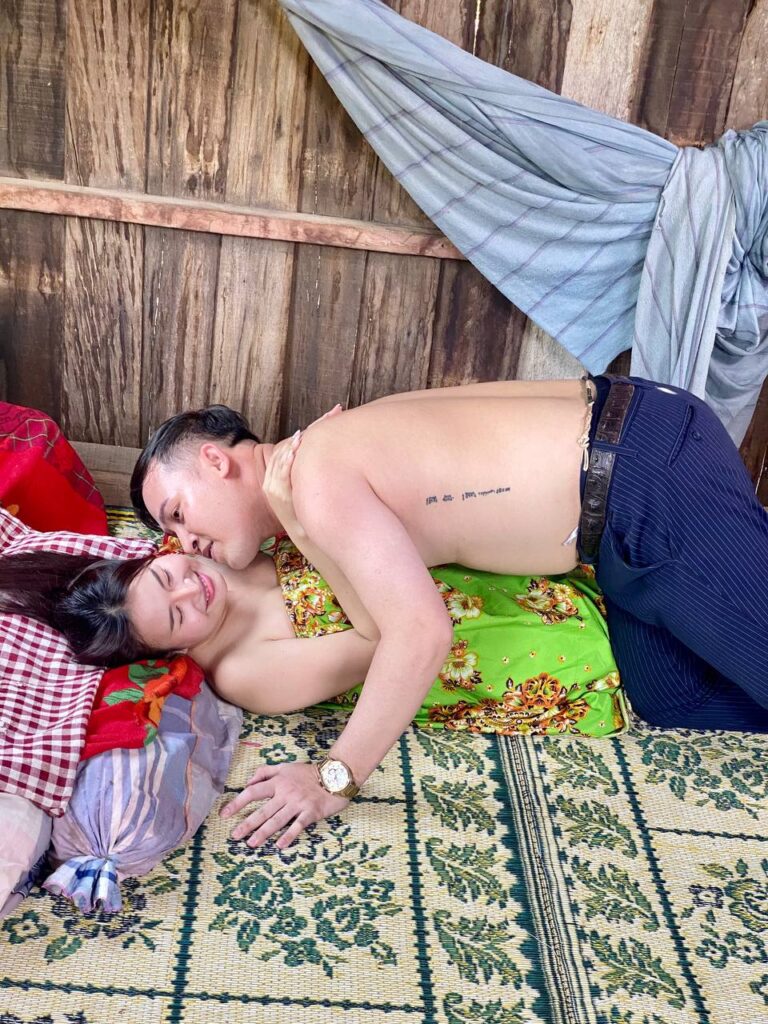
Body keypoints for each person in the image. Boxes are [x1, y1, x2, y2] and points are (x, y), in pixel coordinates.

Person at [129, 376, 768, 846]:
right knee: (672, 698)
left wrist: (331, 780)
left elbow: (419, 633)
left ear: (216, 460)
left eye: (177, 514)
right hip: (622, 502)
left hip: (644, 481)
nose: (184, 542)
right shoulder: (319, 463)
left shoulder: (317, 479)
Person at [0, 473, 624, 851]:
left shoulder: (200, 548)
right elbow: (386, 639)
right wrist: (305, 525)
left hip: (490, 564)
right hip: (489, 640)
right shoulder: (245, 671)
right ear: (172, 651)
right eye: (177, 616)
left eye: (169, 576)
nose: (193, 590)